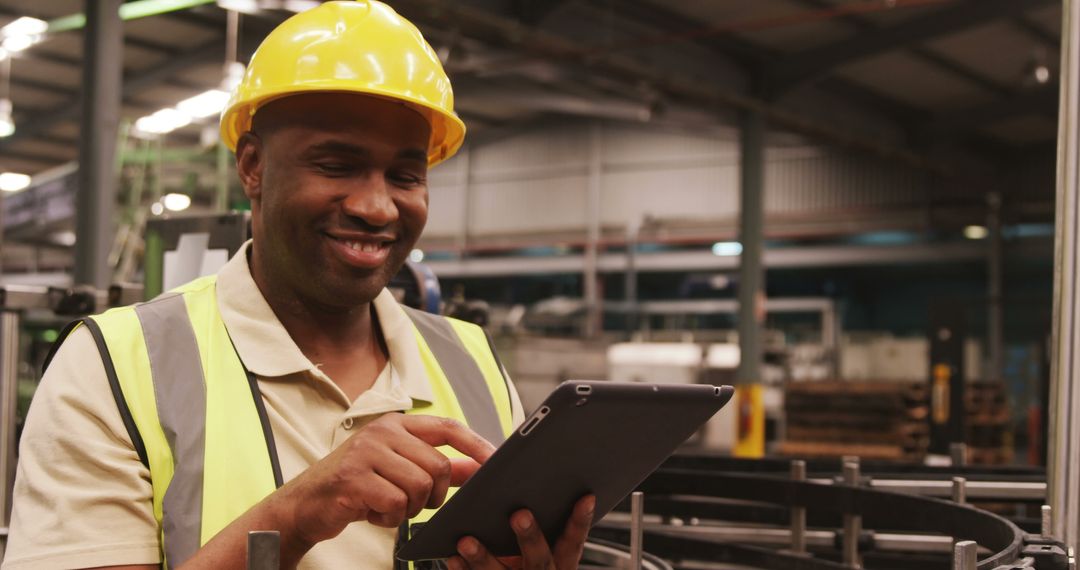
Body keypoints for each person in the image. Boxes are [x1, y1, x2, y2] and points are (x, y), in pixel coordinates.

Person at [1, 2, 594, 569]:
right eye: (336, 166)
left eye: (405, 175)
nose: (376, 206)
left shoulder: (473, 360)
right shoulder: (115, 366)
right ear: (253, 167)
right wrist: (299, 513)